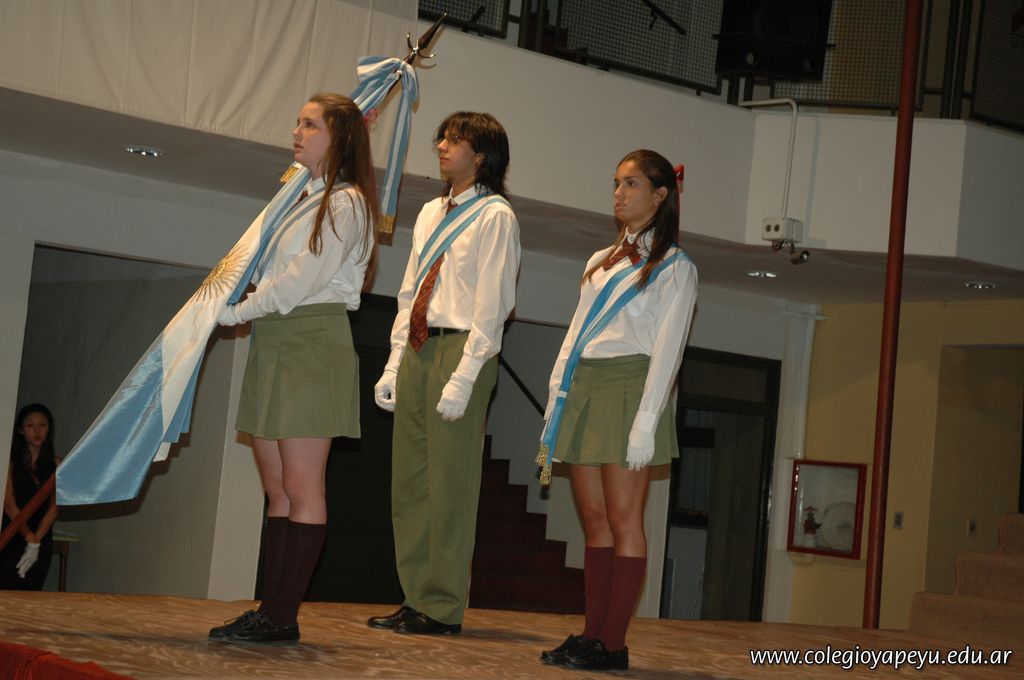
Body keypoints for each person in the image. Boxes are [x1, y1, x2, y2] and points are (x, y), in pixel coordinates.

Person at [210, 92, 379, 643]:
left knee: (304, 486)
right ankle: (270, 609)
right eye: (298, 123)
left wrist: (234, 312)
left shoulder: (347, 203)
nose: (297, 132)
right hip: (274, 336)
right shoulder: (299, 196)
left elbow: (298, 283)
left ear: (338, 137)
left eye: (310, 125)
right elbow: (269, 274)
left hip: (311, 337)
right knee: (277, 489)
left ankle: (282, 616)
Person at [538, 150, 697, 671]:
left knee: (625, 519)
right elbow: (574, 336)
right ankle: (591, 634)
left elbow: (669, 352)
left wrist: (646, 423)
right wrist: (556, 398)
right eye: (616, 183)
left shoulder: (675, 267)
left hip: (632, 385)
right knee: (594, 521)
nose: (619, 193)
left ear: (660, 195)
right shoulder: (599, 260)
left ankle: (613, 643)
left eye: (631, 184)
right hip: (585, 385)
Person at [369, 112, 520, 635]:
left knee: (450, 486)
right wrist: (393, 361)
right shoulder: (431, 211)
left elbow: (494, 304)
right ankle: (415, 597)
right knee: (409, 484)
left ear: (481, 156)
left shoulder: (495, 215)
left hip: (461, 348)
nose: (441, 146)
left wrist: (467, 374)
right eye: (443, 138)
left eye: (455, 140)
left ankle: (441, 606)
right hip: (417, 344)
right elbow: (409, 290)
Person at [2, 404, 60, 591]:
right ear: (21, 430)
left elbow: (55, 507)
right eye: (30, 426)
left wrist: (36, 541)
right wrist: (29, 539)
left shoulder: (56, 464)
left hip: (41, 535)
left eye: (42, 425)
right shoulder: (9, 462)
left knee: (32, 592)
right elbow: (9, 505)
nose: (37, 431)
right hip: (13, 533)